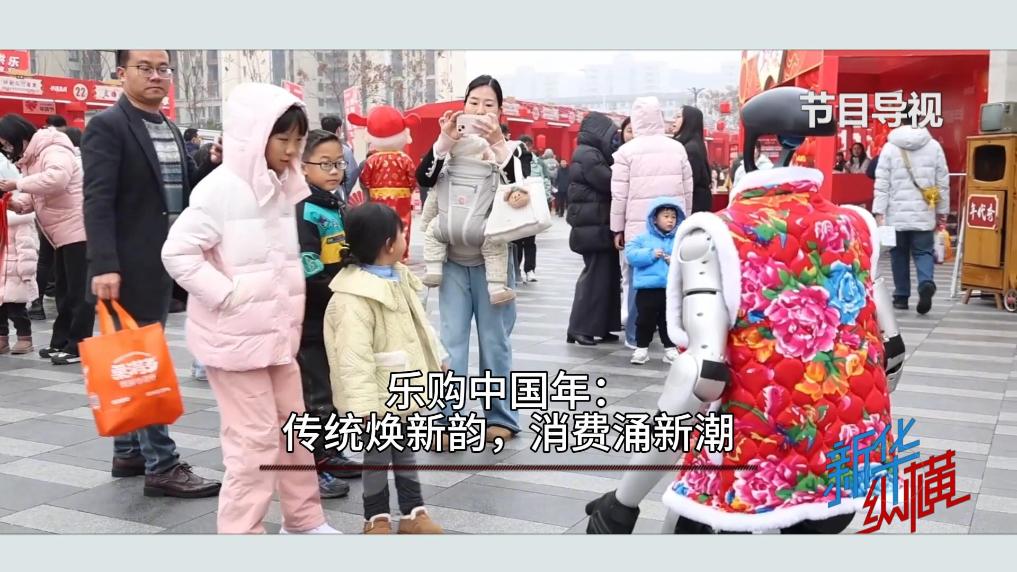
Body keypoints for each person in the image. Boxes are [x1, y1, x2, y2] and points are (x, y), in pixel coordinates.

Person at [162, 83, 337, 535]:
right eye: (283, 139)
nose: (292, 150)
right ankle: (241, 535)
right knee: (254, 443)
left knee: (294, 430)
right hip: (235, 341)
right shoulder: (219, 189)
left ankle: (304, 521)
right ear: (254, 134)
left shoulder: (281, 186)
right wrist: (227, 296)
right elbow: (177, 252)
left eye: (298, 140)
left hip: (277, 335)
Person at [81, 49, 220, 497]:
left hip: (165, 260)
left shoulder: (168, 126)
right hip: (131, 264)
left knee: (133, 357)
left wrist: (209, 163)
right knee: (145, 362)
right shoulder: (108, 126)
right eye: (146, 68)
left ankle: (129, 452)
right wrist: (104, 264)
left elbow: (179, 192)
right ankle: (163, 464)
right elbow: (97, 199)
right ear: (122, 74)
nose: (157, 76)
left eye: (163, 69)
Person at [324, 202, 446, 535]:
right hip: (375, 398)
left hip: (401, 390)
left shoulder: (399, 277)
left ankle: (413, 513)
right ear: (388, 244)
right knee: (377, 457)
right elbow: (352, 358)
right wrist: (363, 408)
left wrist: (437, 356)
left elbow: (420, 326)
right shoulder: (352, 296)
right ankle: (375, 517)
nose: (406, 237)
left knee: (405, 452)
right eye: (402, 233)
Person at [415, 75, 526, 442]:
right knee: (451, 340)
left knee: (495, 341)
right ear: (463, 106)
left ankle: (501, 417)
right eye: (473, 102)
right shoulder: (448, 145)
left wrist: (498, 145)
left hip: (493, 261)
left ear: (500, 111)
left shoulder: (510, 150)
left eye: (488, 104)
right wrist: (443, 141)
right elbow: (424, 178)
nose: (479, 110)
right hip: (451, 257)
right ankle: (447, 418)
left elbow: (521, 188)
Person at [295, 129, 361, 498]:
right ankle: (316, 463)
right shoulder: (304, 208)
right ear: (303, 166)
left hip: (333, 313)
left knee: (332, 387)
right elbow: (308, 267)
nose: (335, 170)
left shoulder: (335, 203)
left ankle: (331, 452)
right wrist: (338, 289)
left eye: (338, 163)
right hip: (311, 316)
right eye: (325, 164)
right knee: (316, 392)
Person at [0, 115, 92, 366]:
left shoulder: (52, 148)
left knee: (77, 292)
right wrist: (16, 203)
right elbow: (38, 196)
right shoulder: (32, 157)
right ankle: (60, 342)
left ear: (19, 136)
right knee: (63, 290)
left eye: (7, 143)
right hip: (60, 233)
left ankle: (78, 346)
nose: (7, 149)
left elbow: (56, 180)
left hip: (77, 229)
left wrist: (17, 184)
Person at [612, 97, 693, 350]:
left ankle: (635, 337)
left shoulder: (625, 152)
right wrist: (684, 220)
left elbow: (619, 196)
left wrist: (617, 228)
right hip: (672, 223)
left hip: (639, 228)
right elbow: (687, 190)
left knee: (638, 278)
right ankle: (672, 334)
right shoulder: (677, 148)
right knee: (674, 277)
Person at [420, 130, 517, 305]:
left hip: (446, 228)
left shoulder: (444, 172)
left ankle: (433, 270)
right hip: (480, 231)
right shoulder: (493, 173)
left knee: (433, 232)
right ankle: (496, 287)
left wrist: (426, 224)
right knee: (495, 247)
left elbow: (432, 202)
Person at [872, 109, 949, 315]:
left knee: (898, 254)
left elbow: (882, 183)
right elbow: (942, 182)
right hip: (924, 211)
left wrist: (879, 211)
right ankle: (925, 283)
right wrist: (942, 211)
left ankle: (901, 297)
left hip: (896, 213)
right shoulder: (934, 146)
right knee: (923, 252)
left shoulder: (889, 147)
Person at [565, 112, 621, 347]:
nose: (615, 140)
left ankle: (602, 325)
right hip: (593, 226)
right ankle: (579, 328)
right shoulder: (589, 154)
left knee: (606, 277)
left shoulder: (590, 152)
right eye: (612, 135)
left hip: (596, 224)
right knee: (594, 278)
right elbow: (609, 182)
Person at [624, 197, 684, 365]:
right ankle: (641, 348)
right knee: (644, 320)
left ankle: (670, 349)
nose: (670, 220)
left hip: (670, 289)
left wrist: (675, 260)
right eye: (666, 216)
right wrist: (650, 254)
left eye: (673, 217)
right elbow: (631, 255)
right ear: (654, 219)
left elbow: (688, 257)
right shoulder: (642, 239)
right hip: (647, 289)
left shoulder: (679, 240)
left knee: (668, 320)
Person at [0, 160, 39, 356]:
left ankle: (25, 338)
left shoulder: (19, 220)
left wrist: (26, 273)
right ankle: (2, 338)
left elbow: (27, 248)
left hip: (15, 271)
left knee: (17, 309)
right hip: (1, 272)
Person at [514, 134, 548, 283]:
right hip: (516, 202)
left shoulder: (538, 162)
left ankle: (530, 269)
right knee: (516, 241)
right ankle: (516, 270)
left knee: (530, 240)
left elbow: (545, 180)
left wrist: (545, 199)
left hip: (533, 203)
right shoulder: (513, 160)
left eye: (526, 146)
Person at [672, 105, 712, 214]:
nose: (674, 121)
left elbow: (690, 182)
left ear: (689, 121)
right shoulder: (694, 145)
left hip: (694, 206)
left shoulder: (691, 149)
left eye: (678, 116)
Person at [320, 115, 362, 202]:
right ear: (338, 129)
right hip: (338, 191)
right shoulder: (344, 150)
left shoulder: (315, 148)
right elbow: (352, 173)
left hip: (319, 192)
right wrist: (344, 191)